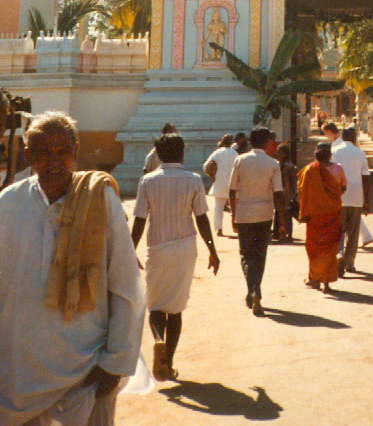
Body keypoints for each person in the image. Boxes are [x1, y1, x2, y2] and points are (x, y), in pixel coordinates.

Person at [0, 111, 145, 426]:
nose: (53, 161)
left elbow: (126, 285)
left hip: (86, 371)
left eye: (62, 151)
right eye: (43, 152)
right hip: (18, 376)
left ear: (75, 151)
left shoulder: (100, 201)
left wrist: (115, 362)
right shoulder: (8, 205)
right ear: (28, 156)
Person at [132, 133, 219, 381]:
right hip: (185, 249)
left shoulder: (147, 181)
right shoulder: (193, 180)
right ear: (182, 153)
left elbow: (139, 219)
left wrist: (130, 249)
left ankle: (157, 340)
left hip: (157, 250)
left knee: (157, 306)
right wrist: (212, 249)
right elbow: (201, 218)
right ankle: (168, 362)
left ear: (158, 155)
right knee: (176, 309)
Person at [229, 127, 287, 316]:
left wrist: (233, 214)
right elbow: (278, 194)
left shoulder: (240, 160)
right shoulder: (272, 163)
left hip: (244, 214)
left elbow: (232, 190)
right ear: (266, 143)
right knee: (260, 255)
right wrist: (283, 222)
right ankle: (254, 292)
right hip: (265, 214)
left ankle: (254, 292)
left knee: (246, 255)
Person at [297, 141, 346, 292]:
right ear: (330, 154)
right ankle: (326, 282)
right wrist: (330, 199)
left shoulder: (308, 170)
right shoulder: (338, 168)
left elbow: (301, 191)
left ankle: (314, 279)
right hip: (332, 212)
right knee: (330, 246)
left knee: (314, 247)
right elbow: (343, 188)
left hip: (315, 215)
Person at [332, 127, 371, 276]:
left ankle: (339, 258)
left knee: (339, 231)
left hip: (339, 196)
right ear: (354, 138)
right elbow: (366, 179)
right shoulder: (360, 153)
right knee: (353, 233)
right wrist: (367, 201)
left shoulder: (335, 152)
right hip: (356, 197)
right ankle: (349, 263)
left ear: (342, 137)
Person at [203, 134, 238, 237]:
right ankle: (236, 227)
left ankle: (219, 229)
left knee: (218, 208)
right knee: (235, 207)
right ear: (231, 142)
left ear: (222, 142)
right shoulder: (234, 153)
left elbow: (206, 167)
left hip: (219, 183)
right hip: (233, 184)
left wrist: (213, 173)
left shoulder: (217, 153)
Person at [274, 142, 298, 242]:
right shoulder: (287, 165)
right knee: (286, 214)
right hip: (285, 192)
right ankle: (286, 235)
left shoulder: (281, 165)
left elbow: (292, 181)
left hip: (282, 192)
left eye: (279, 152)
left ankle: (282, 234)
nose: (278, 154)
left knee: (282, 214)